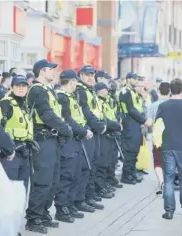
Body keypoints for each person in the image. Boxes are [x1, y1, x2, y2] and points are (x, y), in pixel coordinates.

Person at [25, 59, 73, 234]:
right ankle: (33, 218)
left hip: (52, 140)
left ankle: (44, 213)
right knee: (42, 180)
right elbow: (46, 114)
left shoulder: (48, 90)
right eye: (51, 70)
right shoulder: (37, 90)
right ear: (42, 71)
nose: (54, 72)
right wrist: (65, 128)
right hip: (42, 139)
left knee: (52, 181)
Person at [155, 78, 182, 220]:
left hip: (167, 146)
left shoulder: (163, 106)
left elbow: (158, 125)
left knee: (168, 180)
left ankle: (169, 211)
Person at [54, 69, 92, 223]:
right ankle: (61, 208)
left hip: (76, 139)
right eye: (75, 81)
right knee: (67, 175)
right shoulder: (62, 97)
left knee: (75, 174)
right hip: (68, 140)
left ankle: (69, 205)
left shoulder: (70, 96)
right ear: (72, 82)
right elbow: (68, 120)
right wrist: (84, 131)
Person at [75, 65, 108, 211]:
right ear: (80, 75)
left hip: (94, 131)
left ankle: (89, 196)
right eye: (86, 74)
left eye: (92, 74)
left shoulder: (90, 90)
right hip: (87, 132)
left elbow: (98, 110)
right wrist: (100, 126)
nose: (90, 77)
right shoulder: (80, 90)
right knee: (85, 167)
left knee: (92, 165)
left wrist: (102, 124)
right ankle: (80, 199)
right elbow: (86, 112)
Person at [0, 75, 33, 190]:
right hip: (11, 153)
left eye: (24, 86)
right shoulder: (6, 103)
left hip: (24, 152)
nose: (21, 88)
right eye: (18, 86)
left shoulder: (25, 105)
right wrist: (8, 148)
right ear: (12, 87)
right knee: (9, 190)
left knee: (22, 190)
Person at [119, 72, 152, 185]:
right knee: (130, 150)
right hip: (129, 122)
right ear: (128, 79)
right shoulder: (125, 92)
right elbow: (131, 109)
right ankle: (126, 175)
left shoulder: (132, 92)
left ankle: (131, 172)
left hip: (135, 122)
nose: (136, 81)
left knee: (135, 149)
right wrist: (144, 120)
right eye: (134, 79)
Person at [94, 82, 123, 193]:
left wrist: (118, 121)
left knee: (111, 160)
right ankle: (100, 186)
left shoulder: (107, 101)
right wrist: (117, 125)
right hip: (104, 134)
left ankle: (107, 181)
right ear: (99, 90)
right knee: (102, 162)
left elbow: (114, 114)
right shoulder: (99, 102)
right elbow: (104, 119)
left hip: (111, 133)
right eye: (105, 89)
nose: (108, 91)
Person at [147, 82, 170, 195]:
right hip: (171, 136)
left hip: (157, 137)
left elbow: (149, 123)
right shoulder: (172, 104)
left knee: (157, 161)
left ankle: (161, 183)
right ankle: (168, 181)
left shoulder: (153, 105)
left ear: (158, 91)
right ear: (170, 91)